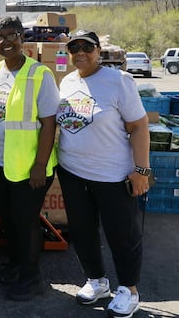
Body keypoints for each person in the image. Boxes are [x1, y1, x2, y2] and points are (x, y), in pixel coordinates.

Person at [55, 30, 151, 318]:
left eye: (87, 47)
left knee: (122, 235)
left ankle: (129, 290)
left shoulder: (118, 81)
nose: (80, 53)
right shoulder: (68, 82)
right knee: (82, 231)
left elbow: (139, 126)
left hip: (112, 176)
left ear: (98, 51)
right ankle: (96, 281)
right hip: (72, 172)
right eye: (74, 48)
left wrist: (141, 170)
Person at [0, 15, 60, 301]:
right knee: (10, 220)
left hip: (29, 168)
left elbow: (49, 124)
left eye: (11, 35)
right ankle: (16, 265)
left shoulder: (40, 75)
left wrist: (40, 165)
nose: (6, 41)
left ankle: (31, 277)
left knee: (26, 223)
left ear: (22, 37)